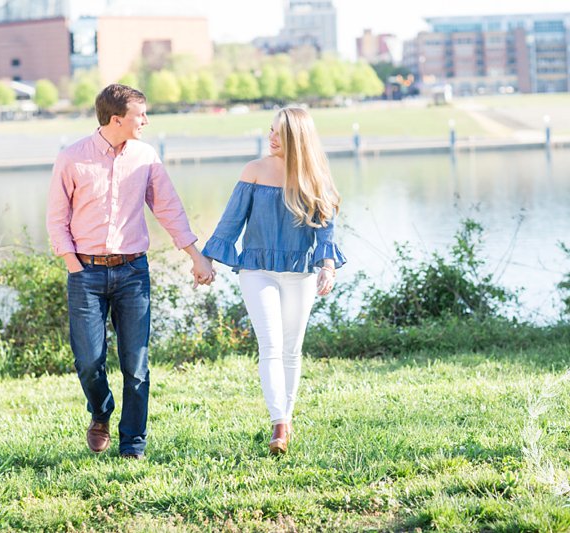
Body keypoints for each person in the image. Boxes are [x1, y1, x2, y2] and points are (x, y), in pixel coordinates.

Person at [46, 84, 214, 460]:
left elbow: (168, 208)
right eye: (141, 115)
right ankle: (101, 412)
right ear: (116, 119)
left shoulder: (146, 156)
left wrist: (196, 256)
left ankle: (132, 445)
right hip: (85, 274)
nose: (146, 121)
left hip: (133, 272)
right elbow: (57, 220)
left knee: (136, 365)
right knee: (89, 361)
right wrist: (74, 265)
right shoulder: (72, 158)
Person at [202, 106, 346, 455]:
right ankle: (278, 424)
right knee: (270, 345)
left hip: (299, 271)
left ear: (297, 138)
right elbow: (230, 222)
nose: (271, 137)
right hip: (257, 269)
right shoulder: (254, 171)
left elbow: (326, 232)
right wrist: (204, 260)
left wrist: (328, 266)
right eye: (270, 130)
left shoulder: (315, 179)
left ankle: (287, 418)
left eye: (279, 133)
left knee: (291, 349)